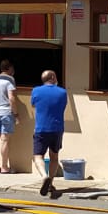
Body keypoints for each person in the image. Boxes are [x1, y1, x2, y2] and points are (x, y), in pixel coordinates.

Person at [30, 69, 69, 197]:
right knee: (54, 156)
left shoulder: (36, 91)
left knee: (38, 156)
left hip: (41, 128)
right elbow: (63, 106)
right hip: (57, 128)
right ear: (52, 77)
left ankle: (44, 176)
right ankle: (50, 182)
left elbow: (33, 105)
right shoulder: (62, 92)